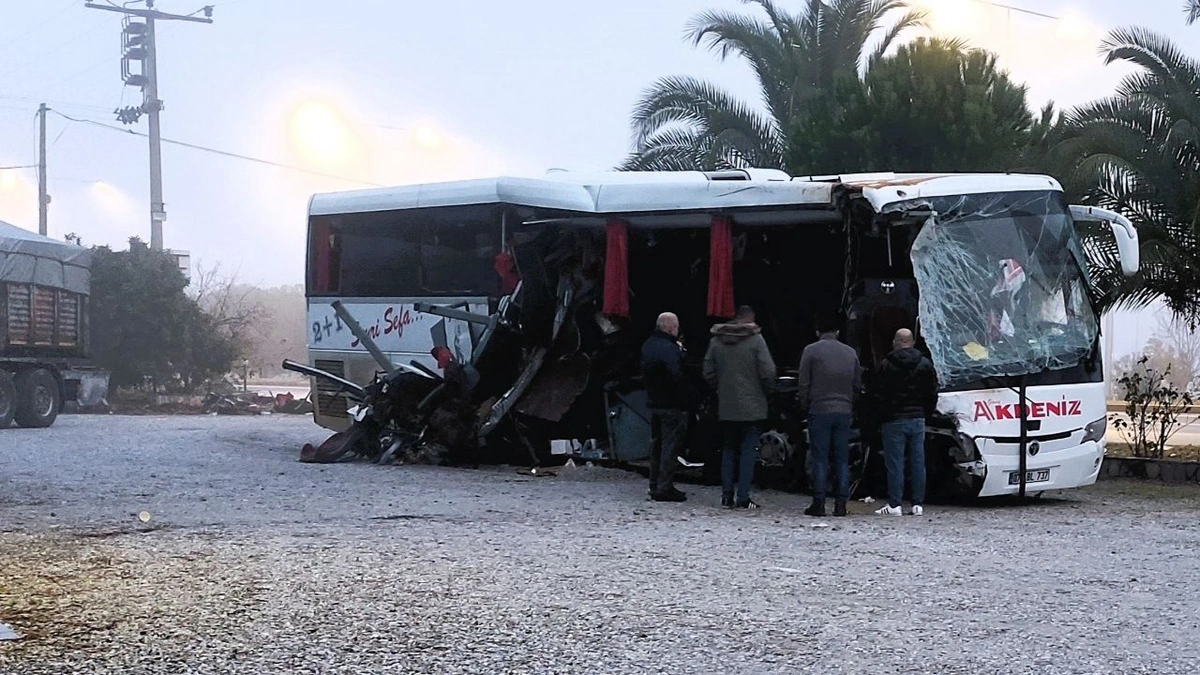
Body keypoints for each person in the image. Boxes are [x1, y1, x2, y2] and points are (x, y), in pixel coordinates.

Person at [703, 305, 777, 509]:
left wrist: (720, 389)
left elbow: (708, 371)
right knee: (748, 451)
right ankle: (743, 496)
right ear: (750, 319)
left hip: (726, 405)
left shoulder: (716, 341)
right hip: (753, 406)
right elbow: (768, 372)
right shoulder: (756, 340)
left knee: (728, 449)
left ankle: (726, 495)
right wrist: (768, 391)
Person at [796, 315, 862, 517]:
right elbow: (857, 385)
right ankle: (841, 504)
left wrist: (805, 405)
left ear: (817, 332)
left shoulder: (810, 351)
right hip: (843, 411)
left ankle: (819, 503)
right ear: (838, 332)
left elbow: (803, 383)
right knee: (841, 459)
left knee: (820, 459)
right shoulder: (850, 353)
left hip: (819, 410)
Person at [873, 328, 938, 516]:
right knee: (918, 462)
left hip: (893, 419)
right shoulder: (925, 364)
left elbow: (879, 393)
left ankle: (895, 504)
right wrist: (927, 412)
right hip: (917, 418)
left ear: (895, 341)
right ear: (912, 341)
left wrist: (881, 415)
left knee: (895, 463)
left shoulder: (886, 364)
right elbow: (932, 392)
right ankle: (917, 504)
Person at [640, 312, 690, 502]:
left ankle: (655, 484)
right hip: (671, 404)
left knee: (657, 445)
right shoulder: (669, 349)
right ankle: (664, 486)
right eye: (676, 327)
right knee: (670, 446)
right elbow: (677, 375)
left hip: (654, 402)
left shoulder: (649, 345)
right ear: (670, 328)